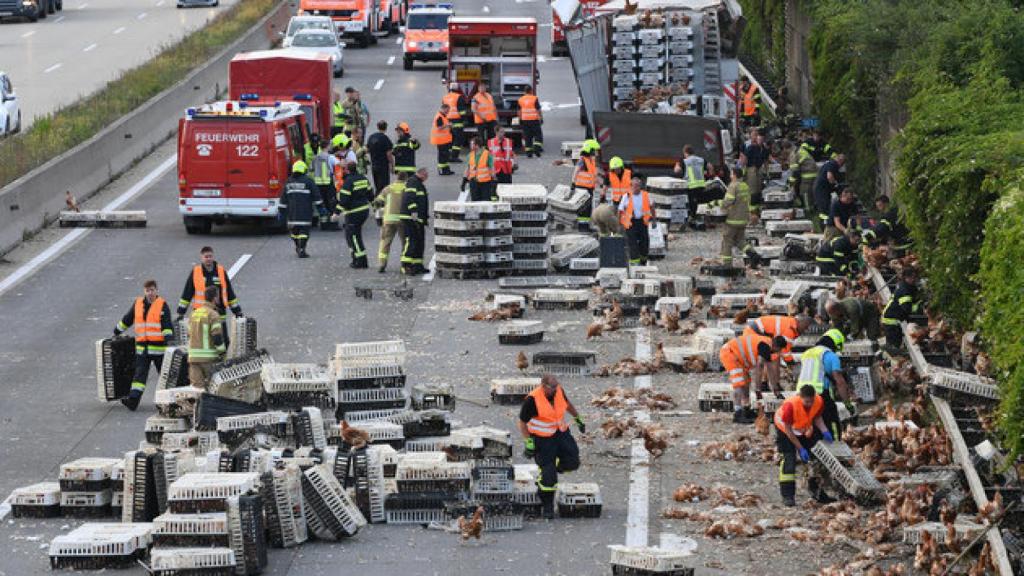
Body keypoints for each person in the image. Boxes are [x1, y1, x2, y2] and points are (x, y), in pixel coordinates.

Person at [518, 374, 584, 519]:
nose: (555, 389)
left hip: (561, 433)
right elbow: (523, 423)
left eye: (556, 386)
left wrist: (578, 418)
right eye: (552, 387)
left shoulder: (559, 391)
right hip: (543, 440)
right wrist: (529, 442)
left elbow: (567, 404)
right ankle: (546, 504)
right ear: (543, 386)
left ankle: (556, 468)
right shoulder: (532, 400)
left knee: (573, 461)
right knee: (548, 478)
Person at [113, 279, 174, 411]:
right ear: (144, 291)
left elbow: (167, 326)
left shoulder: (162, 305)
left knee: (164, 376)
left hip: (159, 349)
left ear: (156, 290)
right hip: (143, 348)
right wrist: (117, 330)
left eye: (152, 290)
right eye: (147, 290)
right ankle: (133, 401)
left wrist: (169, 341)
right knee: (139, 375)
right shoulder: (138, 303)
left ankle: (170, 402)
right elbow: (128, 319)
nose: (150, 293)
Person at [774, 385, 834, 506]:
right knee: (789, 459)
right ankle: (788, 496)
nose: (809, 404)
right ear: (800, 397)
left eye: (811, 401)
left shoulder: (818, 401)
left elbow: (817, 417)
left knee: (814, 459)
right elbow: (789, 431)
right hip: (785, 429)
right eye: (807, 402)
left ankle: (817, 492)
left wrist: (825, 431)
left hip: (801, 427)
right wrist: (800, 449)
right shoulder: (790, 406)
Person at [797, 328, 856, 441]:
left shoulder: (807, 353)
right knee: (831, 422)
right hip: (819, 394)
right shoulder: (830, 355)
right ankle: (835, 449)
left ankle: (814, 453)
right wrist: (847, 403)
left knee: (810, 424)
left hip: (801, 394)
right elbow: (840, 382)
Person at [719, 334, 787, 423]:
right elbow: (759, 367)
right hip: (730, 354)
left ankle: (746, 409)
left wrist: (776, 389)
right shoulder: (765, 346)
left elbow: (770, 370)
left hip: (738, 358)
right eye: (780, 349)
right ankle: (737, 414)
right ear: (776, 346)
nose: (779, 352)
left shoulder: (769, 346)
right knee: (739, 384)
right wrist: (758, 389)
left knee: (746, 382)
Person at [177, 246, 242, 322]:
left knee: (220, 333)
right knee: (203, 333)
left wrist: (237, 311)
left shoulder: (221, 271)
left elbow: (229, 293)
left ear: (213, 257)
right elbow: (187, 293)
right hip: (201, 314)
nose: (208, 259)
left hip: (219, 313)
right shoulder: (196, 272)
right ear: (202, 258)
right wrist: (181, 313)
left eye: (210, 256)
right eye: (206, 257)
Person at [280, 160, 322, 258]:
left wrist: (281, 211)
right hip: (305, 212)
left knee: (294, 232)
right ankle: (302, 248)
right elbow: (316, 195)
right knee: (304, 231)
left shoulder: (288, 181)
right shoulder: (308, 181)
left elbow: (283, 197)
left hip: (292, 213)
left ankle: (298, 246)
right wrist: (321, 209)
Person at [719, 166, 760, 268]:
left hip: (732, 219)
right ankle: (753, 254)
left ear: (735, 175)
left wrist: (718, 204)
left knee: (727, 242)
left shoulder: (733, 186)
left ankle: (727, 265)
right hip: (743, 219)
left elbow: (729, 201)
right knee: (740, 241)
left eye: (731, 174)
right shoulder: (745, 186)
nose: (730, 176)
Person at [187, 286, 227, 391]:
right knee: (212, 389)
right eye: (218, 296)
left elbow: (189, 334)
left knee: (197, 390)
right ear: (214, 298)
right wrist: (223, 353)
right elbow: (217, 337)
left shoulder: (194, 314)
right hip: (208, 359)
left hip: (193, 358)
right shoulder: (213, 315)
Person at [336, 161, 372, 268]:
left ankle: (360, 261)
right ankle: (357, 258)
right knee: (354, 235)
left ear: (347, 170)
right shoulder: (363, 178)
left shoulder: (348, 182)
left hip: (353, 212)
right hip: (364, 210)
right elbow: (370, 194)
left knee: (354, 236)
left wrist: (336, 213)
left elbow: (344, 200)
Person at [743, 314, 813, 366]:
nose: (805, 329)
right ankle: (768, 383)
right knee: (772, 359)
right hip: (753, 333)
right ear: (799, 322)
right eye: (805, 326)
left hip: (753, 331)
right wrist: (791, 362)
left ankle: (767, 382)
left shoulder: (791, 323)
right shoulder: (790, 330)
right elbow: (785, 351)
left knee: (771, 358)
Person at [372, 172, 408, 273]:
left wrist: (377, 212)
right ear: (405, 178)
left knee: (385, 242)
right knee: (405, 243)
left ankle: (382, 264)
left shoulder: (388, 188)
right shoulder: (406, 188)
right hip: (402, 220)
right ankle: (404, 265)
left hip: (388, 220)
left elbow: (377, 202)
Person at [882, 267, 922, 351]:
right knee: (895, 345)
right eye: (912, 277)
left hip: (893, 317)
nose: (914, 279)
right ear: (906, 278)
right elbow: (907, 309)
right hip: (891, 320)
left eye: (915, 277)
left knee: (896, 343)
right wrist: (919, 305)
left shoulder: (905, 286)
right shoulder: (905, 291)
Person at [617, 173, 652, 266]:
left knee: (644, 243)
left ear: (641, 186)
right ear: (631, 186)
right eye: (634, 186)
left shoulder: (645, 195)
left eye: (638, 186)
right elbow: (620, 210)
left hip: (642, 222)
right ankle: (634, 264)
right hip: (630, 223)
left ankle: (643, 261)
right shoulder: (626, 196)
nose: (636, 188)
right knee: (633, 244)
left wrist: (654, 220)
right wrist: (619, 224)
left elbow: (652, 207)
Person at [400, 167, 430, 275]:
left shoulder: (419, 184)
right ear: (422, 174)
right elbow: (410, 199)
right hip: (410, 218)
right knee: (411, 240)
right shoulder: (413, 183)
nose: (426, 178)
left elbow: (422, 203)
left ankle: (418, 265)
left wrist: (424, 219)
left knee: (419, 242)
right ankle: (406, 264)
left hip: (418, 219)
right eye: (426, 176)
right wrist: (415, 217)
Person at [674, 145, 707, 229]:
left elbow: (676, 170)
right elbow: (710, 167)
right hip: (701, 185)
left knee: (688, 203)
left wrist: (677, 164)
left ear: (685, 153)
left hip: (690, 186)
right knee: (695, 203)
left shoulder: (685, 161)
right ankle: (693, 219)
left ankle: (690, 219)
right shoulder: (701, 160)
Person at [813, 153, 845, 233]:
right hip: (822, 190)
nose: (841, 166)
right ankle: (825, 227)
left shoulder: (828, 163)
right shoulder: (833, 164)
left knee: (824, 209)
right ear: (840, 161)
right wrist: (835, 186)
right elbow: (829, 176)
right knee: (825, 209)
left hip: (821, 189)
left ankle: (824, 227)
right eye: (842, 163)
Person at [572, 140, 600, 231]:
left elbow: (593, 175)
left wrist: (600, 183)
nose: (595, 152)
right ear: (590, 150)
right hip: (582, 188)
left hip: (589, 188)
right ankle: (582, 227)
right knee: (583, 209)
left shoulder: (590, 161)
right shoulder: (583, 160)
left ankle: (586, 226)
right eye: (594, 150)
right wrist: (573, 183)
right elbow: (576, 170)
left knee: (588, 208)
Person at [789, 138, 819, 214]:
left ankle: (808, 211)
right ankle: (814, 208)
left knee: (804, 192)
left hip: (807, 174)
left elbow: (795, 171)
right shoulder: (800, 150)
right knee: (812, 193)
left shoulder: (793, 154)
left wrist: (790, 183)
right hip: (814, 173)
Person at [442, 82, 470, 162]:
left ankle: (449, 156)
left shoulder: (445, 97)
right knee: (458, 139)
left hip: (447, 121)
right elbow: (461, 111)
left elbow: (443, 109)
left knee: (450, 139)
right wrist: (465, 119)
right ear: (457, 89)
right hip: (457, 121)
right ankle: (454, 156)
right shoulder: (459, 97)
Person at [311, 137, 338, 216]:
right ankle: (332, 220)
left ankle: (324, 220)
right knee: (331, 202)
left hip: (318, 184)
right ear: (327, 146)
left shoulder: (315, 157)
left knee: (322, 203)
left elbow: (311, 169)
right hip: (328, 184)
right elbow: (339, 164)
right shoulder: (330, 157)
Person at [739, 130, 769, 201]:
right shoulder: (751, 147)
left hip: (759, 168)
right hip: (751, 168)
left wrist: (767, 171)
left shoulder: (764, 149)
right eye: (759, 139)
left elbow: (765, 160)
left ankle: (757, 199)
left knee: (759, 185)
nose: (760, 141)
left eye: (762, 139)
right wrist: (743, 169)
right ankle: (752, 201)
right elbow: (744, 157)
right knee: (752, 185)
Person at [366, 120, 395, 194]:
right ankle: (382, 202)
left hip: (374, 165)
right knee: (384, 187)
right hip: (383, 166)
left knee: (377, 185)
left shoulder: (371, 137)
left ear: (377, 127)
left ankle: (377, 201)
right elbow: (389, 154)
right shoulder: (385, 139)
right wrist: (392, 165)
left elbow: (367, 150)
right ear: (386, 128)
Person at [463, 136, 494, 202]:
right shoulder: (470, 155)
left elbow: (491, 167)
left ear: (477, 145)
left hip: (485, 183)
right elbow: (468, 168)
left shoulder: (487, 154)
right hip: (473, 182)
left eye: (472, 144)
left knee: (485, 202)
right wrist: (464, 180)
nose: (470, 146)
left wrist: (493, 179)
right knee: (475, 202)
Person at [518, 85, 544, 157]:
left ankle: (529, 153)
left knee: (528, 137)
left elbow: (519, 111)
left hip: (525, 121)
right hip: (534, 120)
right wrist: (541, 118)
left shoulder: (520, 99)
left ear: (524, 91)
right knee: (538, 135)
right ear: (531, 91)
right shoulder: (534, 98)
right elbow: (538, 109)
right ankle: (537, 148)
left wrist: (520, 119)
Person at [431, 103, 455, 176]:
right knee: (442, 156)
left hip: (444, 140)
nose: (448, 112)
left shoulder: (443, 116)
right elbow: (439, 127)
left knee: (445, 155)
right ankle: (442, 170)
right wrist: (448, 125)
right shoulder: (439, 117)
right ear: (443, 109)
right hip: (440, 140)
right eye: (447, 110)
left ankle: (446, 170)